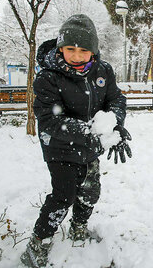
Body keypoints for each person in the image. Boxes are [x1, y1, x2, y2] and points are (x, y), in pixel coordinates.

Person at [20, 14, 131, 268]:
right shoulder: (48, 77)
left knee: (90, 192)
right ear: (61, 47)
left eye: (83, 50)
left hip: (91, 147)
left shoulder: (103, 71)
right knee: (63, 196)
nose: (77, 56)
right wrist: (90, 132)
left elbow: (116, 99)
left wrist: (115, 124)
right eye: (70, 49)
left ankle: (79, 227)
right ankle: (39, 242)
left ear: (93, 50)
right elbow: (48, 119)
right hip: (60, 147)